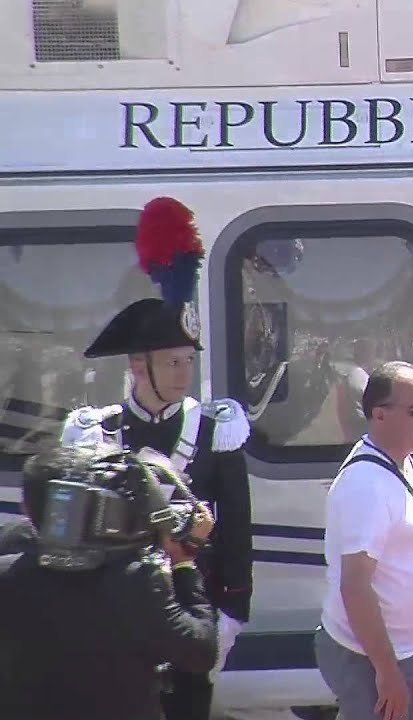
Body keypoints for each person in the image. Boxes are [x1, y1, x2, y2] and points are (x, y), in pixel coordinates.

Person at [59, 196, 253, 720]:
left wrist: (230, 613)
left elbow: (236, 530)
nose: (184, 372)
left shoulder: (216, 430)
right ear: (137, 364)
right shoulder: (96, 432)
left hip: (192, 610)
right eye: (173, 362)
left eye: (189, 361)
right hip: (114, 620)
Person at [0, 443, 217, 720]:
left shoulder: (8, 568)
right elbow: (199, 653)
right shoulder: (136, 581)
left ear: (26, 507)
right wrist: (184, 563)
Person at [315, 361, 413, 720]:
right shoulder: (366, 486)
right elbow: (356, 588)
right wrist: (388, 673)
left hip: (412, 648)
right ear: (379, 415)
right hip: (373, 661)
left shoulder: (400, 460)